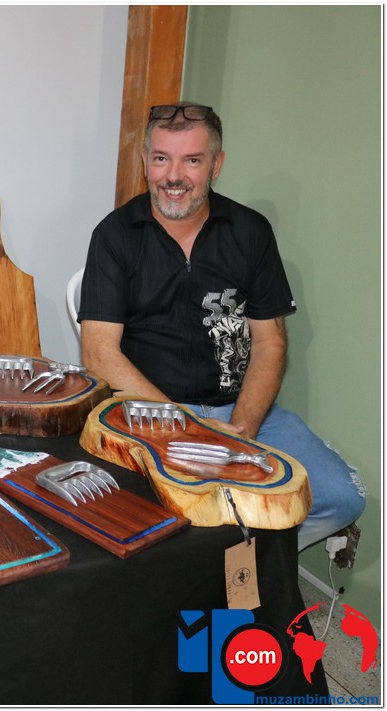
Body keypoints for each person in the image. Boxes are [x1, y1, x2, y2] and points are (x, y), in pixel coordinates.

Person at [79, 102, 365, 551]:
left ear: (216, 165)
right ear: (145, 161)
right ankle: (212, 569)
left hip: (243, 412)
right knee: (136, 518)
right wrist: (187, 426)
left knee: (341, 498)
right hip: (150, 416)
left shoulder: (250, 232)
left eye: (192, 160)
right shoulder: (114, 235)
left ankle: (237, 570)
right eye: (161, 158)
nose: (174, 177)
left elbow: (270, 343)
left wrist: (244, 426)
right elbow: (99, 352)